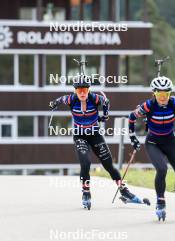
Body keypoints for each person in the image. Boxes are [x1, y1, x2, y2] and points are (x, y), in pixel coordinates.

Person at [49, 75, 146, 210]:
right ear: (75, 90)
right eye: (79, 90)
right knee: (85, 163)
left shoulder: (95, 98)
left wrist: (105, 116)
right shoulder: (71, 99)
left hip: (95, 136)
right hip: (80, 136)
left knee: (108, 165)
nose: (82, 93)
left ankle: (124, 191)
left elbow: (106, 102)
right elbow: (59, 100)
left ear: (89, 89)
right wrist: (53, 104)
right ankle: (86, 193)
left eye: (85, 89)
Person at [129, 76, 175, 220]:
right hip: (153, 142)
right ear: (154, 93)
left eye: (166, 94)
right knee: (162, 169)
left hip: (169, 140)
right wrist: (132, 137)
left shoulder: (174, 103)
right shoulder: (148, 105)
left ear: (170, 94)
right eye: (160, 94)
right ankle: (160, 202)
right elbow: (131, 117)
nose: (163, 98)